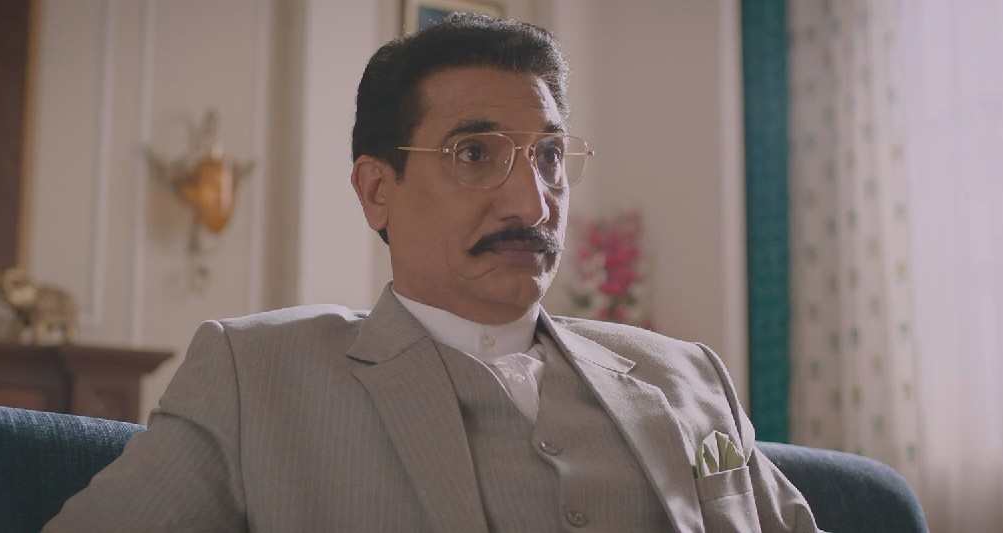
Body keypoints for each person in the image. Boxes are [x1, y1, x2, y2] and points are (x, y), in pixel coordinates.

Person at [46, 14, 821, 532]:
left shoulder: (687, 374)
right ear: (376, 190)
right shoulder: (254, 377)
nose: (533, 201)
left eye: (550, 156)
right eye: (475, 154)